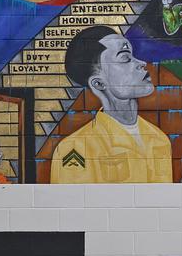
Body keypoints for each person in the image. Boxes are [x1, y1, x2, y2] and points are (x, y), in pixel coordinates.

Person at [51, 25, 173, 183]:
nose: (141, 63)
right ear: (99, 84)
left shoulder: (159, 139)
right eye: (125, 58)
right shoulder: (76, 149)